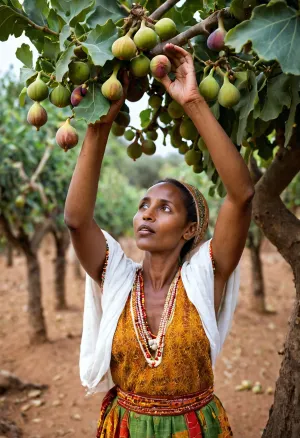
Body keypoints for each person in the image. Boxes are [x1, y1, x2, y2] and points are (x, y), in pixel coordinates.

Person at [64, 43, 255, 437]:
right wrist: (99, 125)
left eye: (164, 208)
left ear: (190, 231)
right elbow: (77, 221)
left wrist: (194, 102)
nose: (147, 214)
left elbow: (241, 196)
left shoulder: (205, 277)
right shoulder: (116, 277)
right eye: (143, 205)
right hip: (124, 427)